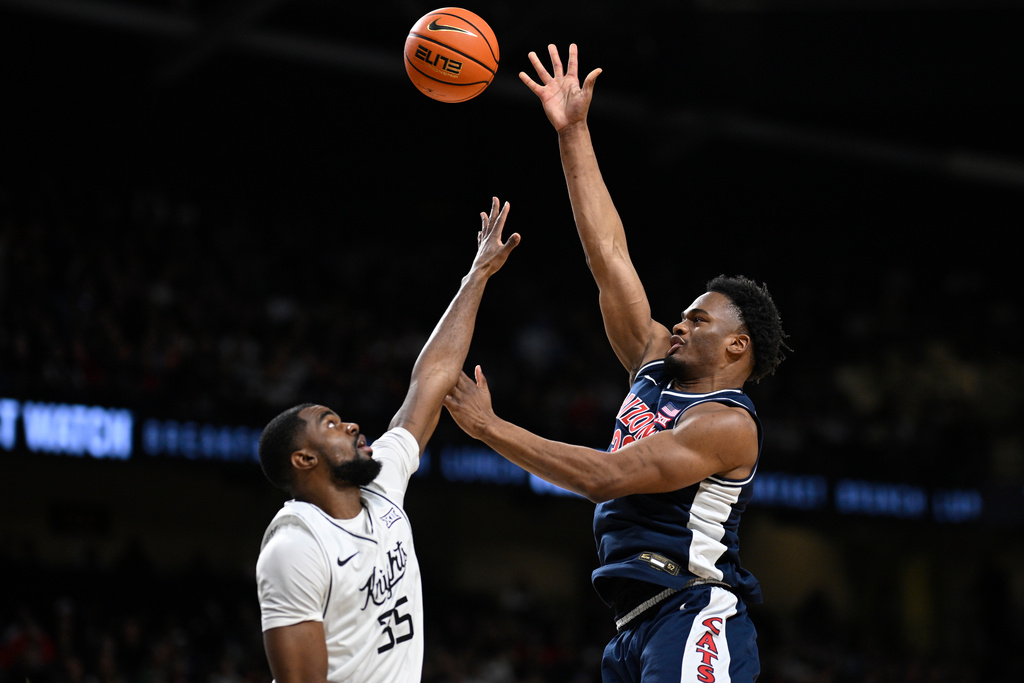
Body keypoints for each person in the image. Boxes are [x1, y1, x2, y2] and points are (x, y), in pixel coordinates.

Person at [443, 45, 788, 682]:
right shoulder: (655, 364)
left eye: (698, 320)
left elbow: (606, 478)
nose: (678, 324)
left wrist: (491, 429)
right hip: (633, 627)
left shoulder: (727, 424)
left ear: (738, 346)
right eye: (681, 316)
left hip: (695, 614)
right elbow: (608, 254)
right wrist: (573, 132)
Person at [254, 198, 519, 683]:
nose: (353, 425)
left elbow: (431, 379)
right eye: (331, 424)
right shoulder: (295, 547)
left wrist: (477, 275)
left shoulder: (380, 488)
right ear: (305, 458)